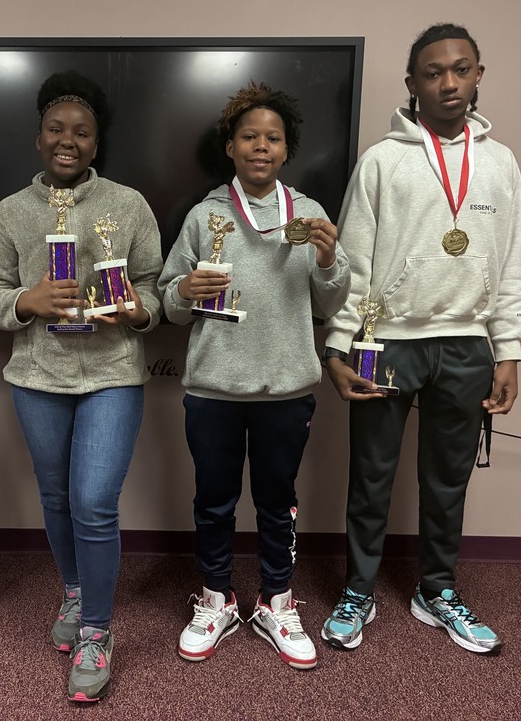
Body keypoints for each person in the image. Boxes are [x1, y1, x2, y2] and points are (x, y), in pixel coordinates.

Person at [320, 23, 521, 655]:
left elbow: (510, 260)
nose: (449, 82)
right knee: (372, 474)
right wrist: (338, 344)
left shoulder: (501, 162)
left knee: (448, 478)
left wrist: (509, 348)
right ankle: (358, 589)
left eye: (461, 69)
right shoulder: (383, 160)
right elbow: (353, 259)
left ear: (479, 75)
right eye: (433, 72)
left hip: (467, 343)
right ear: (412, 84)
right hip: (388, 339)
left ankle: (437, 590)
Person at [0, 70, 162, 702]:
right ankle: (77, 591)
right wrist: (26, 301)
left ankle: (97, 633)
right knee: (55, 498)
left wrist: (138, 310)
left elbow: (156, 288)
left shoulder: (129, 205)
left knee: (94, 502)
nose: (68, 140)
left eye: (82, 132)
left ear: (96, 142)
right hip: (37, 376)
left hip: (112, 374)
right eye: (56, 129)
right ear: (38, 138)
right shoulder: (10, 212)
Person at [158, 81, 349, 669]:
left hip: (286, 387)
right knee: (213, 500)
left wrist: (327, 258)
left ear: (287, 150)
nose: (261, 146)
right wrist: (185, 290)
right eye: (249, 136)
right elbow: (168, 303)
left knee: (277, 501)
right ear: (231, 147)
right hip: (213, 387)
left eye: (273, 138)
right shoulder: (204, 215)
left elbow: (333, 301)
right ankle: (216, 597)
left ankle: (276, 599)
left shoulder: (310, 214)